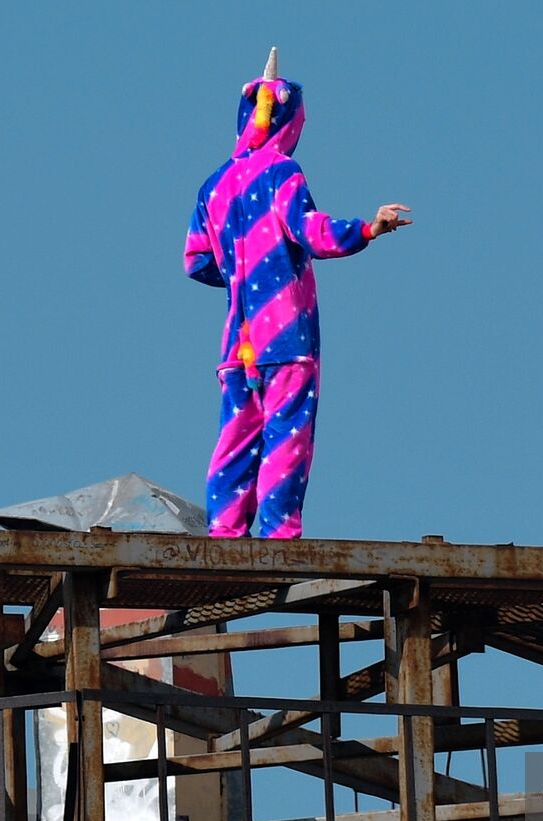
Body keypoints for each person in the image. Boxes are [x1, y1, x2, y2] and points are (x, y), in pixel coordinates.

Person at [184, 48, 411, 539]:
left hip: (236, 342)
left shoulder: (213, 186)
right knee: (287, 432)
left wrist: (242, 272)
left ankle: (225, 528)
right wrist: (369, 228)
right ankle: (277, 531)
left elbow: (196, 260)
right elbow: (315, 233)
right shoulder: (282, 174)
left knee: (236, 436)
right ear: (289, 121)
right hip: (284, 335)